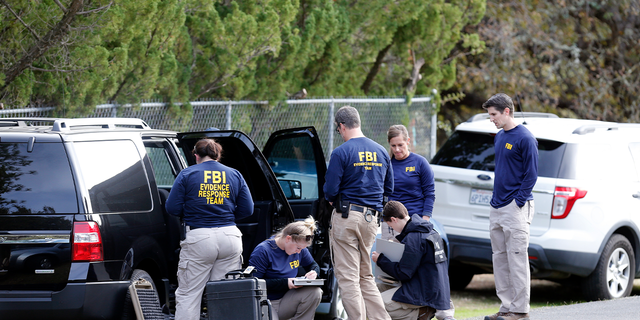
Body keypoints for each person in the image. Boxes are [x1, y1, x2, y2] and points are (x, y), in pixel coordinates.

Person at [166, 138, 254, 320]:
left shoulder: (187, 174)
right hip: (230, 235)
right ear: (218, 155)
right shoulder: (234, 174)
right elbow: (248, 209)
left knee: (189, 295)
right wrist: (225, 217)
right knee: (225, 295)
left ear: (196, 155)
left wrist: (194, 212)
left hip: (199, 237)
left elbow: (172, 208)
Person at [323, 105, 393, 320]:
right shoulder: (381, 150)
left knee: (348, 277)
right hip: (372, 219)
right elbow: (388, 189)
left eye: (338, 129)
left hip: (347, 217)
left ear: (341, 126)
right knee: (366, 275)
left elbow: (330, 190)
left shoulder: (341, 152)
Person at [384, 124, 457, 320]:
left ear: (408, 141)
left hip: (417, 225)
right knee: (399, 268)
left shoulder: (420, 163)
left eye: (400, 144)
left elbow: (430, 194)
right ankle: (412, 306)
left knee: (430, 264)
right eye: (393, 146)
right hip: (392, 225)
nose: (397, 150)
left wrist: (424, 220)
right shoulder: (388, 165)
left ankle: (443, 307)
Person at [482, 93, 538, 320]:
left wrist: (519, 201)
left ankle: (520, 310)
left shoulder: (525, 138)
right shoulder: (499, 137)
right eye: (489, 115)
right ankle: (507, 307)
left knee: (517, 258)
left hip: (515, 208)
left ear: (507, 111)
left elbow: (531, 174)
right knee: (500, 258)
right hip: (497, 206)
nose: (491, 119)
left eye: (494, 114)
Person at [372, 201, 450, 320]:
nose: (394, 230)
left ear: (394, 219)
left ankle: (421, 313)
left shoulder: (413, 238)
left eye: (391, 226)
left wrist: (381, 260)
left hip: (423, 293)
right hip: (435, 291)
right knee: (375, 289)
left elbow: (404, 273)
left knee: (374, 305)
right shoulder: (430, 231)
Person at [248, 216, 323, 320]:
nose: (299, 252)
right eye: (298, 248)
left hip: (287, 299)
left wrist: (314, 271)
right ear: (288, 238)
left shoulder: (300, 249)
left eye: (302, 249)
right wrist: (285, 283)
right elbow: (253, 284)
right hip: (266, 302)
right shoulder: (263, 251)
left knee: (315, 292)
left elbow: (313, 264)